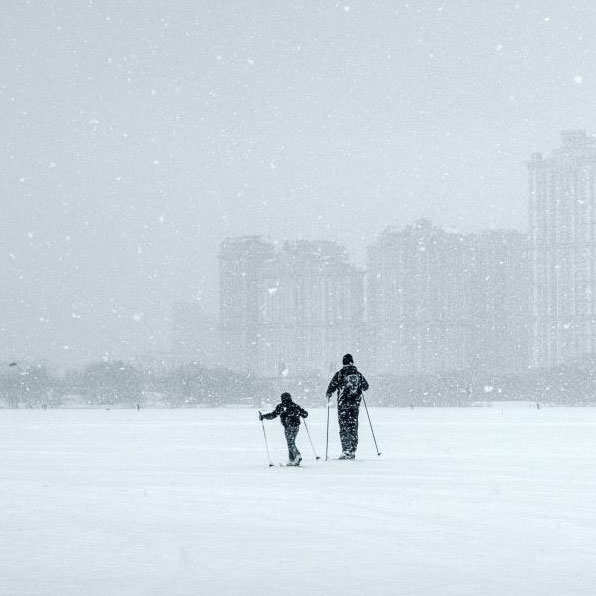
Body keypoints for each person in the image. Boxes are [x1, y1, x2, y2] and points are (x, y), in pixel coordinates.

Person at [326, 353, 369, 459]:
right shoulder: (358, 374)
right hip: (355, 405)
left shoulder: (340, 373)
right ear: (352, 362)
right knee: (353, 427)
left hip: (343, 405)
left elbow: (331, 387)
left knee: (344, 427)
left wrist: (329, 393)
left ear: (343, 362)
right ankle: (353, 450)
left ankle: (346, 450)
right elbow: (366, 387)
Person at [259, 392, 308, 466]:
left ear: (282, 398)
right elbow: (305, 414)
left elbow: (273, 415)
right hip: (296, 427)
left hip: (288, 427)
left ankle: (297, 455)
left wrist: (263, 416)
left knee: (290, 442)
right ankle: (292, 459)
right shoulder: (295, 406)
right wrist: (301, 412)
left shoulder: (281, 406)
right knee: (291, 442)